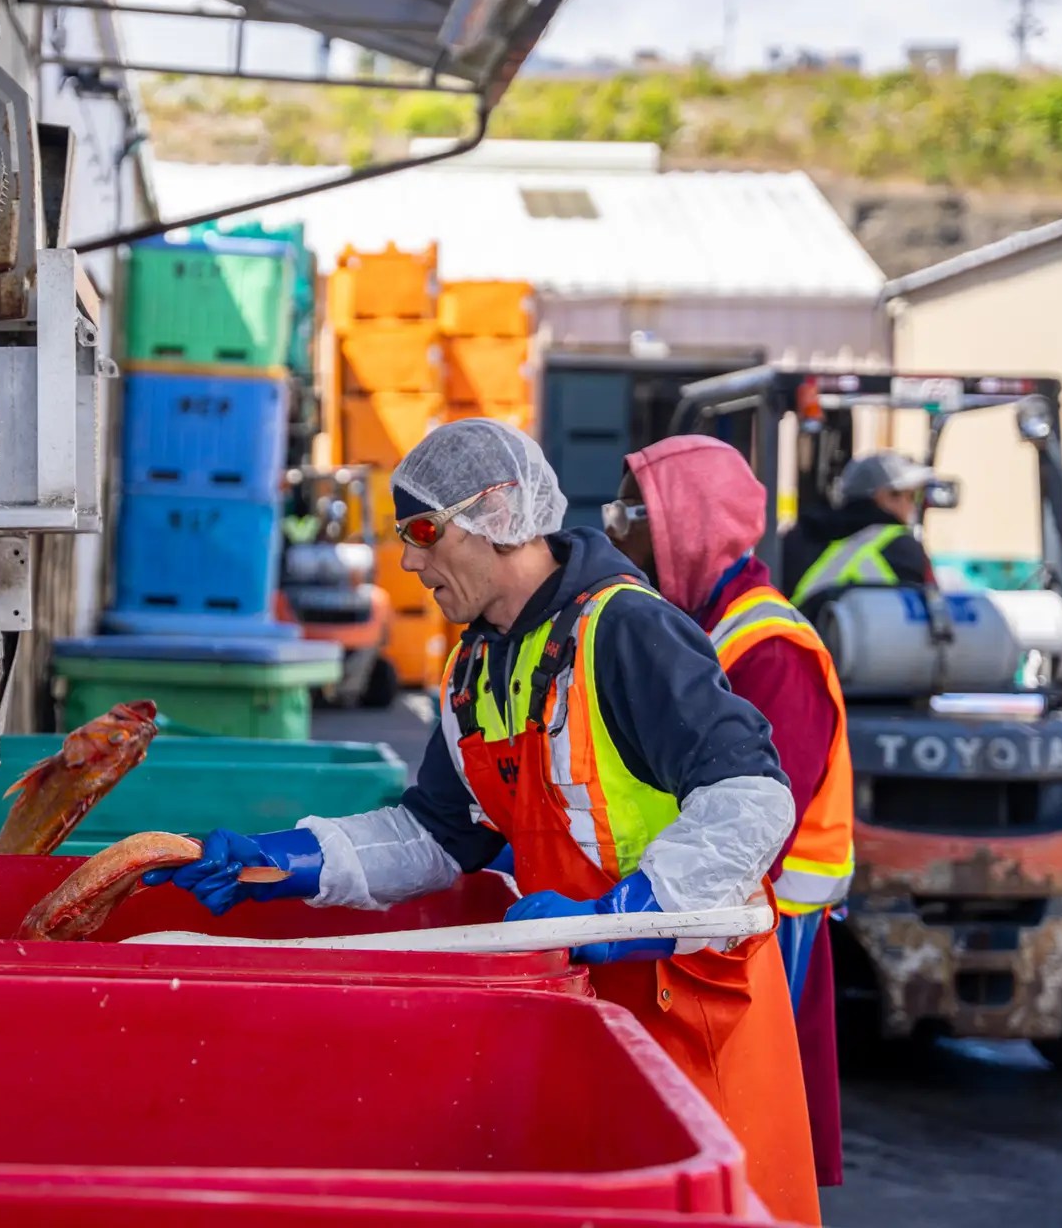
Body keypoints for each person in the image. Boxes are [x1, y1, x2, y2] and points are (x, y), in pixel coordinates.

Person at [145, 419, 821, 1225]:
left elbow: (753, 794)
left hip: (692, 1014)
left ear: (498, 514)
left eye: (424, 531)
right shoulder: (477, 666)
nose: (408, 562)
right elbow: (436, 832)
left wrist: (631, 912)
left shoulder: (626, 631)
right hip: (587, 1004)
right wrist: (288, 861)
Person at [606, 434, 852, 1191]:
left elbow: (756, 827)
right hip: (725, 915)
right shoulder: (707, 629)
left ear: (688, 522)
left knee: (749, 1136)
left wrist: (643, 905)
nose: (616, 531)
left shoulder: (770, 647)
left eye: (632, 510)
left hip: (767, 930)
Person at [782, 450, 936, 608]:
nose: (913, 506)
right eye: (912, 496)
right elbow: (929, 611)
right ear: (886, 497)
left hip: (798, 631)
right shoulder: (901, 545)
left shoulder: (799, 535)